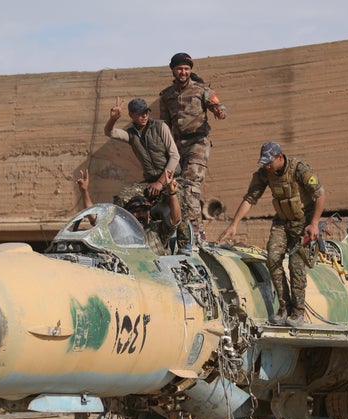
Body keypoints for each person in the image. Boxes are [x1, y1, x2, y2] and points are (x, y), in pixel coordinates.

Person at [217, 142, 326, 327]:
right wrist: (234, 224)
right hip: (282, 223)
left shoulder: (299, 169)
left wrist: (314, 223)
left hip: (303, 224)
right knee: (273, 259)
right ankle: (284, 307)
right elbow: (250, 198)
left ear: (280, 157)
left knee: (295, 265)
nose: (266, 166)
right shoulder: (264, 173)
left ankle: (298, 311)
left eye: (269, 162)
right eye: (264, 162)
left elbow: (320, 195)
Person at [104, 96, 191, 252]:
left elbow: (175, 156)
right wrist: (113, 119)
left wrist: (161, 182)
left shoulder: (160, 127)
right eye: (139, 113)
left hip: (171, 178)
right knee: (122, 198)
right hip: (150, 181)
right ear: (131, 115)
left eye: (146, 112)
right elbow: (110, 132)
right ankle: (118, 239)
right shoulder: (131, 134)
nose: (144, 116)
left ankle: (185, 245)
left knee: (179, 200)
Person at [159, 52, 227, 245]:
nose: (183, 72)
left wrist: (219, 112)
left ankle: (197, 232)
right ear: (173, 70)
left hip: (198, 142)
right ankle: (181, 231)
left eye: (187, 69)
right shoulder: (167, 95)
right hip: (177, 145)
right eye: (180, 68)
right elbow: (164, 124)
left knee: (190, 186)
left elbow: (218, 106)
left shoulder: (201, 90)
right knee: (174, 188)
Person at [76, 168, 182, 256]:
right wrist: (84, 191)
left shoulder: (156, 231)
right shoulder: (118, 233)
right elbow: (94, 217)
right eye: (136, 211)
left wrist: (172, 194)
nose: (141, 215)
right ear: (128, 216)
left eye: (144, 211)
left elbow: (175, 220)